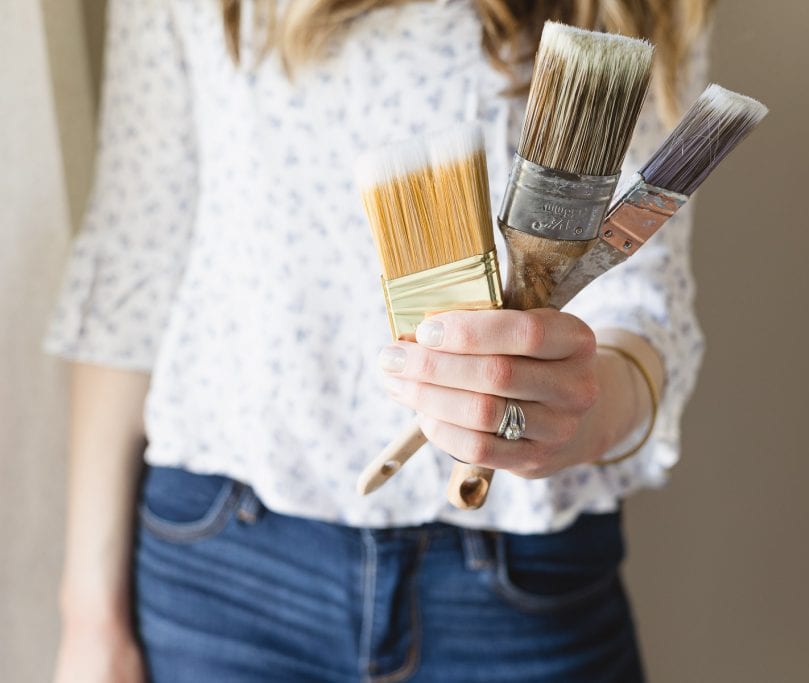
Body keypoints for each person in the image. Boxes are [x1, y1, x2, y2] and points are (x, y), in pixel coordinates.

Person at [46, 0, 710, 680]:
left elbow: (647, 308)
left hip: (521, 581)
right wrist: (89, 617)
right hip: (221, 570)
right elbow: (134, 265)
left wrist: (582, 415)